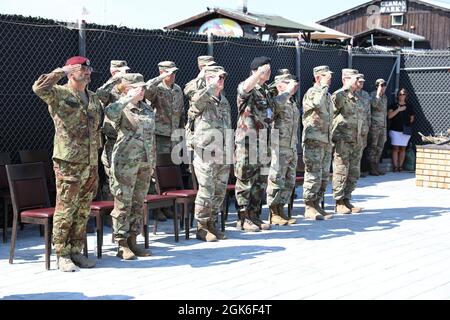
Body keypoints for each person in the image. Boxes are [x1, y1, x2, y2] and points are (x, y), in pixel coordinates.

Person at [32, 56, 101, 272]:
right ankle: (61, 254)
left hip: (90, 162)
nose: (87, 72)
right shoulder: (59, 93)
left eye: (88, 69)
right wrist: (60, 70)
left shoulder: (93, 97)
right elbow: (38, 88)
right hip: (68, 161)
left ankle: (75, 251)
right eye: (82, 69)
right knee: (66, 209)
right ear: (71, 72)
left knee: (83, 210)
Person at [105, 73, 155, 260]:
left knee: (137, 203)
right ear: (127, 89)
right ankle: (121, 243)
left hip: (144, 163)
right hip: (124, 163)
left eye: (142, 87)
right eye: (137, 87)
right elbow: (109, 114)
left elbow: (151, 138)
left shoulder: (147, 109)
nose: (142, 90)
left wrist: (152, 163)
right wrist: (127, 97)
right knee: (123, 204)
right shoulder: (121, 107)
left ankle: (133, 240)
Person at [189, 65, 231, 241]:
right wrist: (209, 86)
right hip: (205, 151)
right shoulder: (201, 97)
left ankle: (212, 223)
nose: (220, 81)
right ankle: (201, 226)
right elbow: (196, 103)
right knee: (206, 189)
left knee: (219, 190)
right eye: (217, 78)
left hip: (222, 151)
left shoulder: (224, 101)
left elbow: (228, 125)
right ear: (208, 79)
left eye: (222, 78)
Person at [234, 56, 273, 232]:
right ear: (256, 70)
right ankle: (243, 219)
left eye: (269, 69)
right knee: (245, 180)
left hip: (263, 142)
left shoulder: (265, 90)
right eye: (266, 69)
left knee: (260, 181)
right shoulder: (247, 86)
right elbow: (244, 89)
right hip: (248, 142)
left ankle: (255, 215)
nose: (269, 72)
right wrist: (258, 74)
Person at [145, 61, 184, 221]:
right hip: (160, 135)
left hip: (174, 135)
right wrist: (159, 78)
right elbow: (146, 92)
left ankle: (168, 205)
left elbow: (181, 112)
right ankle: (157, 207)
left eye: (175, 73)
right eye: (170, 73)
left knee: (172, 170)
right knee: (157, 171)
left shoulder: (177, 89)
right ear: (162, 72)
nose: (173, 75)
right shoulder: (157, 88)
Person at [266, 73, 299, 225]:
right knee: (276, 179)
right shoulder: (276, 101)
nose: (293, 84)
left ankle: (281, 209)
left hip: (291, 146)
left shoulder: (292, 103)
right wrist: (286, 94)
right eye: (288, 82)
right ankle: (273, 212)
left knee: (289, 181)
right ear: (280, 86)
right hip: (279, 146)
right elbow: (271, 112)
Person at [301, 66, 334, 220]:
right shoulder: (313, 92)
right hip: (314, 139)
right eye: (326, 76)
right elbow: (316, 104)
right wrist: (323, 86)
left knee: (323, 175)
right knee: (313, 173)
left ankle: (317, 204)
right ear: (318, 77)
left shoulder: (326, 95)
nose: (330, 78)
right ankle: (309, 206)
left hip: (326, 140)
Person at [96, 60, 131, 200]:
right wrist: (114, 79)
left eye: (127, 71)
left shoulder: (128, 88)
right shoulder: (109, 89)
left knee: (127, 176)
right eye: (123, 72)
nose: (126, 74)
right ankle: (110, 209)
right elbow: (99, 95)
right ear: (114, 72)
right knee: (111, 175)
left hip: (128, 138)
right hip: (113, 138)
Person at [331, 69, 364, 214]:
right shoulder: (339, 95)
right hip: (343, 140)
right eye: (355, 79)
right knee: (341, 170)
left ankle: (347, 199)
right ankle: (338, 202)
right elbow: (333, 109)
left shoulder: (356, 97)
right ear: (346, 79)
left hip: (356, 140)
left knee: (353, 172)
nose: (358, 82)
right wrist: (345, 87)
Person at [388, 88, 415, 172]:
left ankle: (400, 166)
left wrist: (408, 125)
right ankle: (395, 166)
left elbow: (412, 118)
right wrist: (398, 109)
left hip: (405, 131)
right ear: (397, 95)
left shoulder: (409, 106)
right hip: (395, 130)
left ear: (406, 96)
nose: (402, 96)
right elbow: (389, 116)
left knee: (403, 148)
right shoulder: (393, 105)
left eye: (403, 94)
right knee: (395, 148)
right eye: (400, 94)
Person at [368, 78, 388, 175]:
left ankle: (376, 166)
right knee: (373, 147)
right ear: (377, 86)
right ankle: (371, 168)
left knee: (380, 147)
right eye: (381, 86)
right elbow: (373, 105)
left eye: (384, 86)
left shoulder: (385, 97)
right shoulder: (372, 95)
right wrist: (378, 95)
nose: (383, 88)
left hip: (383, 126)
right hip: (374, 126)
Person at [355, 74, 371, 177]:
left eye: (362, 82)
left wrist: (369, 123)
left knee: (362, 148)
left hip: (364, 127)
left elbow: (368, 110)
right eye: (360, 82)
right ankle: (354, 171)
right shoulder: (351, 93)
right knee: (355, 149)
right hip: (354, 127)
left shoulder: (365, 94)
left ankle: (360, 170)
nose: (361, 83)